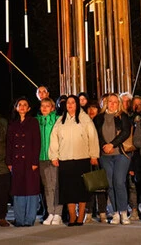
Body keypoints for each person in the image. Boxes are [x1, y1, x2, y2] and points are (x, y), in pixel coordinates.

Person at [48, 95, 100, 226]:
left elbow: (92, 137)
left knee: (81, 188)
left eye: (73, 102)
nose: (70, 105)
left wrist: (94, 155)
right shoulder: (60, 120)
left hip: (82, 158)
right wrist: (54, 156)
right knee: (68, 189)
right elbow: (54, 139)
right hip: (65, 159)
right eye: (68, 103)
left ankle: (81, 215)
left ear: (77, 104)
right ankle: (72, 215)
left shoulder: (85, 119)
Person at [92, 92, 133, 225]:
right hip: (105, 156)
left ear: (119, 103)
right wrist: (104, 145)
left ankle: (123, 212)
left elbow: (126, 132)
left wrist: (112, 144)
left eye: (116, 102)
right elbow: (97, 134)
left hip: (121, 154)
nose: (113, 104)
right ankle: (115, 212)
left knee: (119, 182)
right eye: (110, 101)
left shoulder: (123, 116)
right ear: (106, 103)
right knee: (110, 185)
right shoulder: (98, 118)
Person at [6, 97, 41, 227]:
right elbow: (9, 144)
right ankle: (19, 219)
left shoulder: (33, 122)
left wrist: (34, 161)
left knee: (31, 189)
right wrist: (9, 161)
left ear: (29, 108)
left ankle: (29, 219)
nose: (22, 107)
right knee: (18, 189)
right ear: (16, 107)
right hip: (16, 161)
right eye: (19, 104)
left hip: (30, 160)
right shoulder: (12, 123)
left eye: (25, 105)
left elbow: (36, 142)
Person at [37, 97, 62, 225]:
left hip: (54, 157)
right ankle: (50, 212)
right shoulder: (37, 121)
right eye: (43, 106)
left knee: (56, 185)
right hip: (42, 158)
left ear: (53, 107)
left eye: (48, 106)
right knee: (47, 187)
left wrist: (56, 155)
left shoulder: (57, 120)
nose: (45, 108)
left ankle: (58, 213)